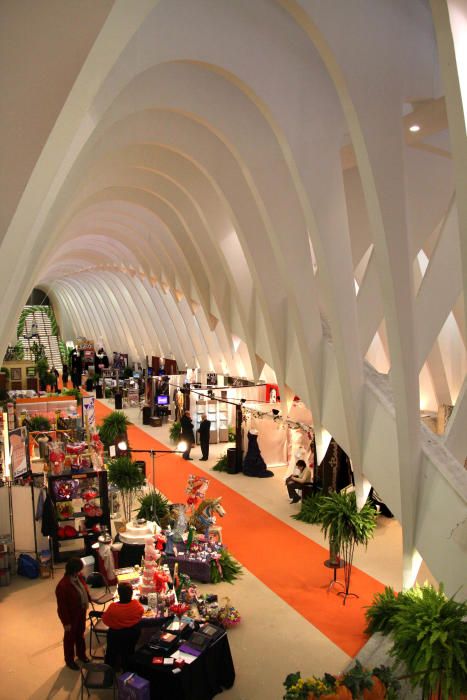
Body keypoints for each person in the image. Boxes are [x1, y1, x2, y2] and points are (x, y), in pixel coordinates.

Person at [55, 557, 91, 670]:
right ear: (73, 570)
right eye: (79, 569)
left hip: (81, 611)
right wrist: (66, 623)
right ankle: (69, 660)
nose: (81, 572)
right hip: (70, 616)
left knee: (80, 633)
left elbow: (84, 590)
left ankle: (81, 655)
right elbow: (62, 607)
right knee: (70, 638)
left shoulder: (78, 577)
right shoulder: (62, 586)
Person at [102, 582, 144, 669]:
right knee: (128, 652)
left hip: (115, 637)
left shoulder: (113, 607)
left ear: (119, 593)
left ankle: (111, 670)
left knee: (111, 653)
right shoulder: (137, 605)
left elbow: (105, 620)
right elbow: (140, 615)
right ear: (131, 594)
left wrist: (117, 624)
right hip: (132, 637)